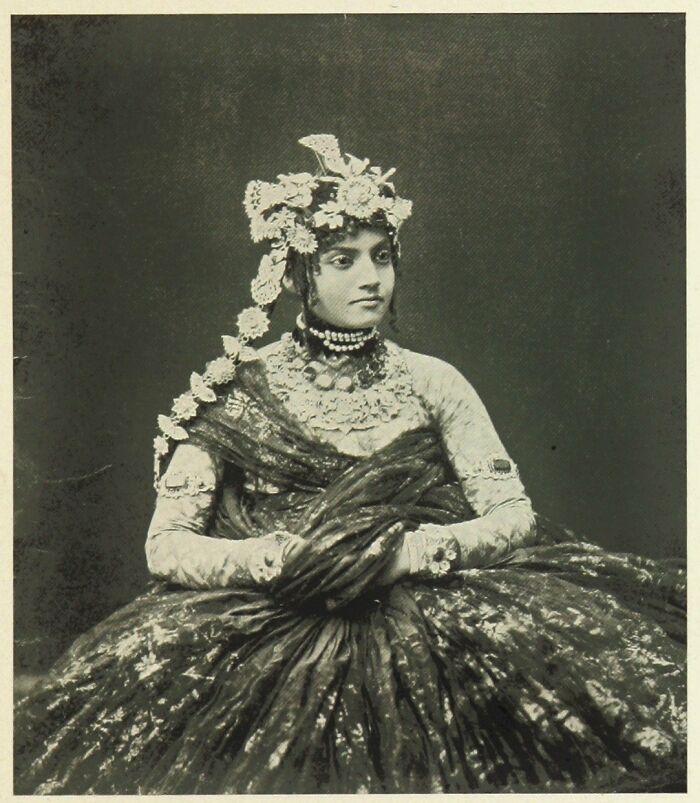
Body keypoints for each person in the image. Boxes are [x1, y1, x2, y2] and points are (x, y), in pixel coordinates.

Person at [14, 134, 686, 794]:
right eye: (343, 260)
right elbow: (165, 544)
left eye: (382, 256)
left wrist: (411, 553)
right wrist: (274, 558)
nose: (371, 278)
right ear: (294, 273)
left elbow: (512, 514)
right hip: (269, 610)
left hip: (421, 603)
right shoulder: (238, 389)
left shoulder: (432, 381)